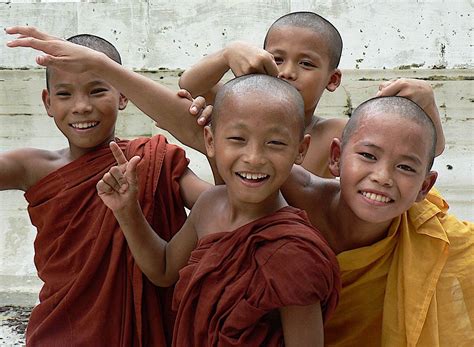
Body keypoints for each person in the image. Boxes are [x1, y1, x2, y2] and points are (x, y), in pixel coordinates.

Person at [97, 74, 340, 346]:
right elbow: (164, 269)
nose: (254, 158)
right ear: (210, 141)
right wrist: (127, 210)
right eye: (237, 138)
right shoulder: (209, 205)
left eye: (275, 143)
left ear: (300, 149)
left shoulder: (294, 252)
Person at [4, 28, 210, 346]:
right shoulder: (31, 166)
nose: (81, 106)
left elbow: (226, 200)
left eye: (97, 89)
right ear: (47, 102)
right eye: (64, 94)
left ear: (123, 94)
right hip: (62, 333)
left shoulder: (153, 159)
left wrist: (208, 122)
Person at [281, 96, 474, 346]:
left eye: (405, 167)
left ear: (424, 187)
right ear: (336, 157)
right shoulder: (292, 194)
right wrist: (227, 58)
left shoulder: (438, 240)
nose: (383, 177)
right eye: (368, 156)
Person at [179, 11, 445, 177]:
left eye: (306, 63)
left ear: (332, 79)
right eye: (277, 59)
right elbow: (190, 86)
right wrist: (228, 54)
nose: (287, 72)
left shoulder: (338, 132)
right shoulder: (237, 110)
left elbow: (430, 150)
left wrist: (427, 102)